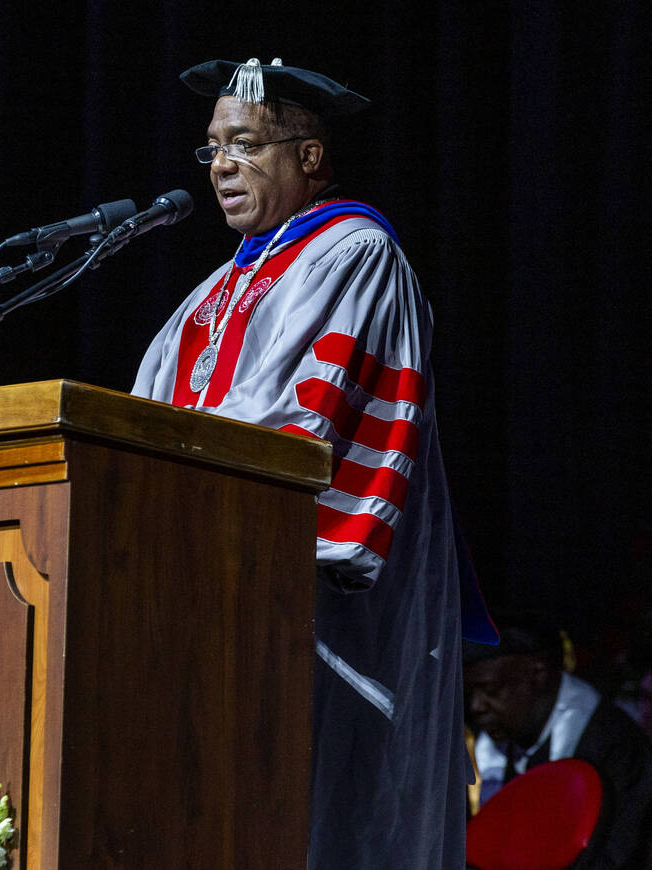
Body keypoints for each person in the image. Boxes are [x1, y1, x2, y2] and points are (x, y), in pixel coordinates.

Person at [132, 56, 483, 868]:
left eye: (245, 143)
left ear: (309, 156)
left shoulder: (354, 254)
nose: (221, 164)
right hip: (205, 594)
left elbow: (289, 428)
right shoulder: (213, 291)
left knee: (309, 818)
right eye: (213, 147)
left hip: (306, 606)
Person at [465, 614, 652, 868]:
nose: (476, 706)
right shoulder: (493, 742)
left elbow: (618, 855)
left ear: (537, 673)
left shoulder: (612, 746)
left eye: (491, 690)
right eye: (470, 693)